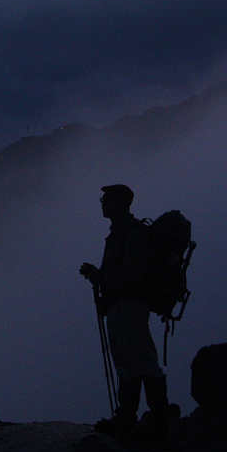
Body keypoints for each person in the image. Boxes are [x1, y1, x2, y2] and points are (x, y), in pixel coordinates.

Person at [79, 183, 169, 438]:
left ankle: (154, 421)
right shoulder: (123, 232)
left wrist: (99, 278)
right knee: (128, 364)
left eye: (107, 199)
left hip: (128, 305)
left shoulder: (132, 233)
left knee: (141, 363)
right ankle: (130, 419)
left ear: (121, 203)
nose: (102, 203)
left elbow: (131, 277)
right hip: (121, 306)